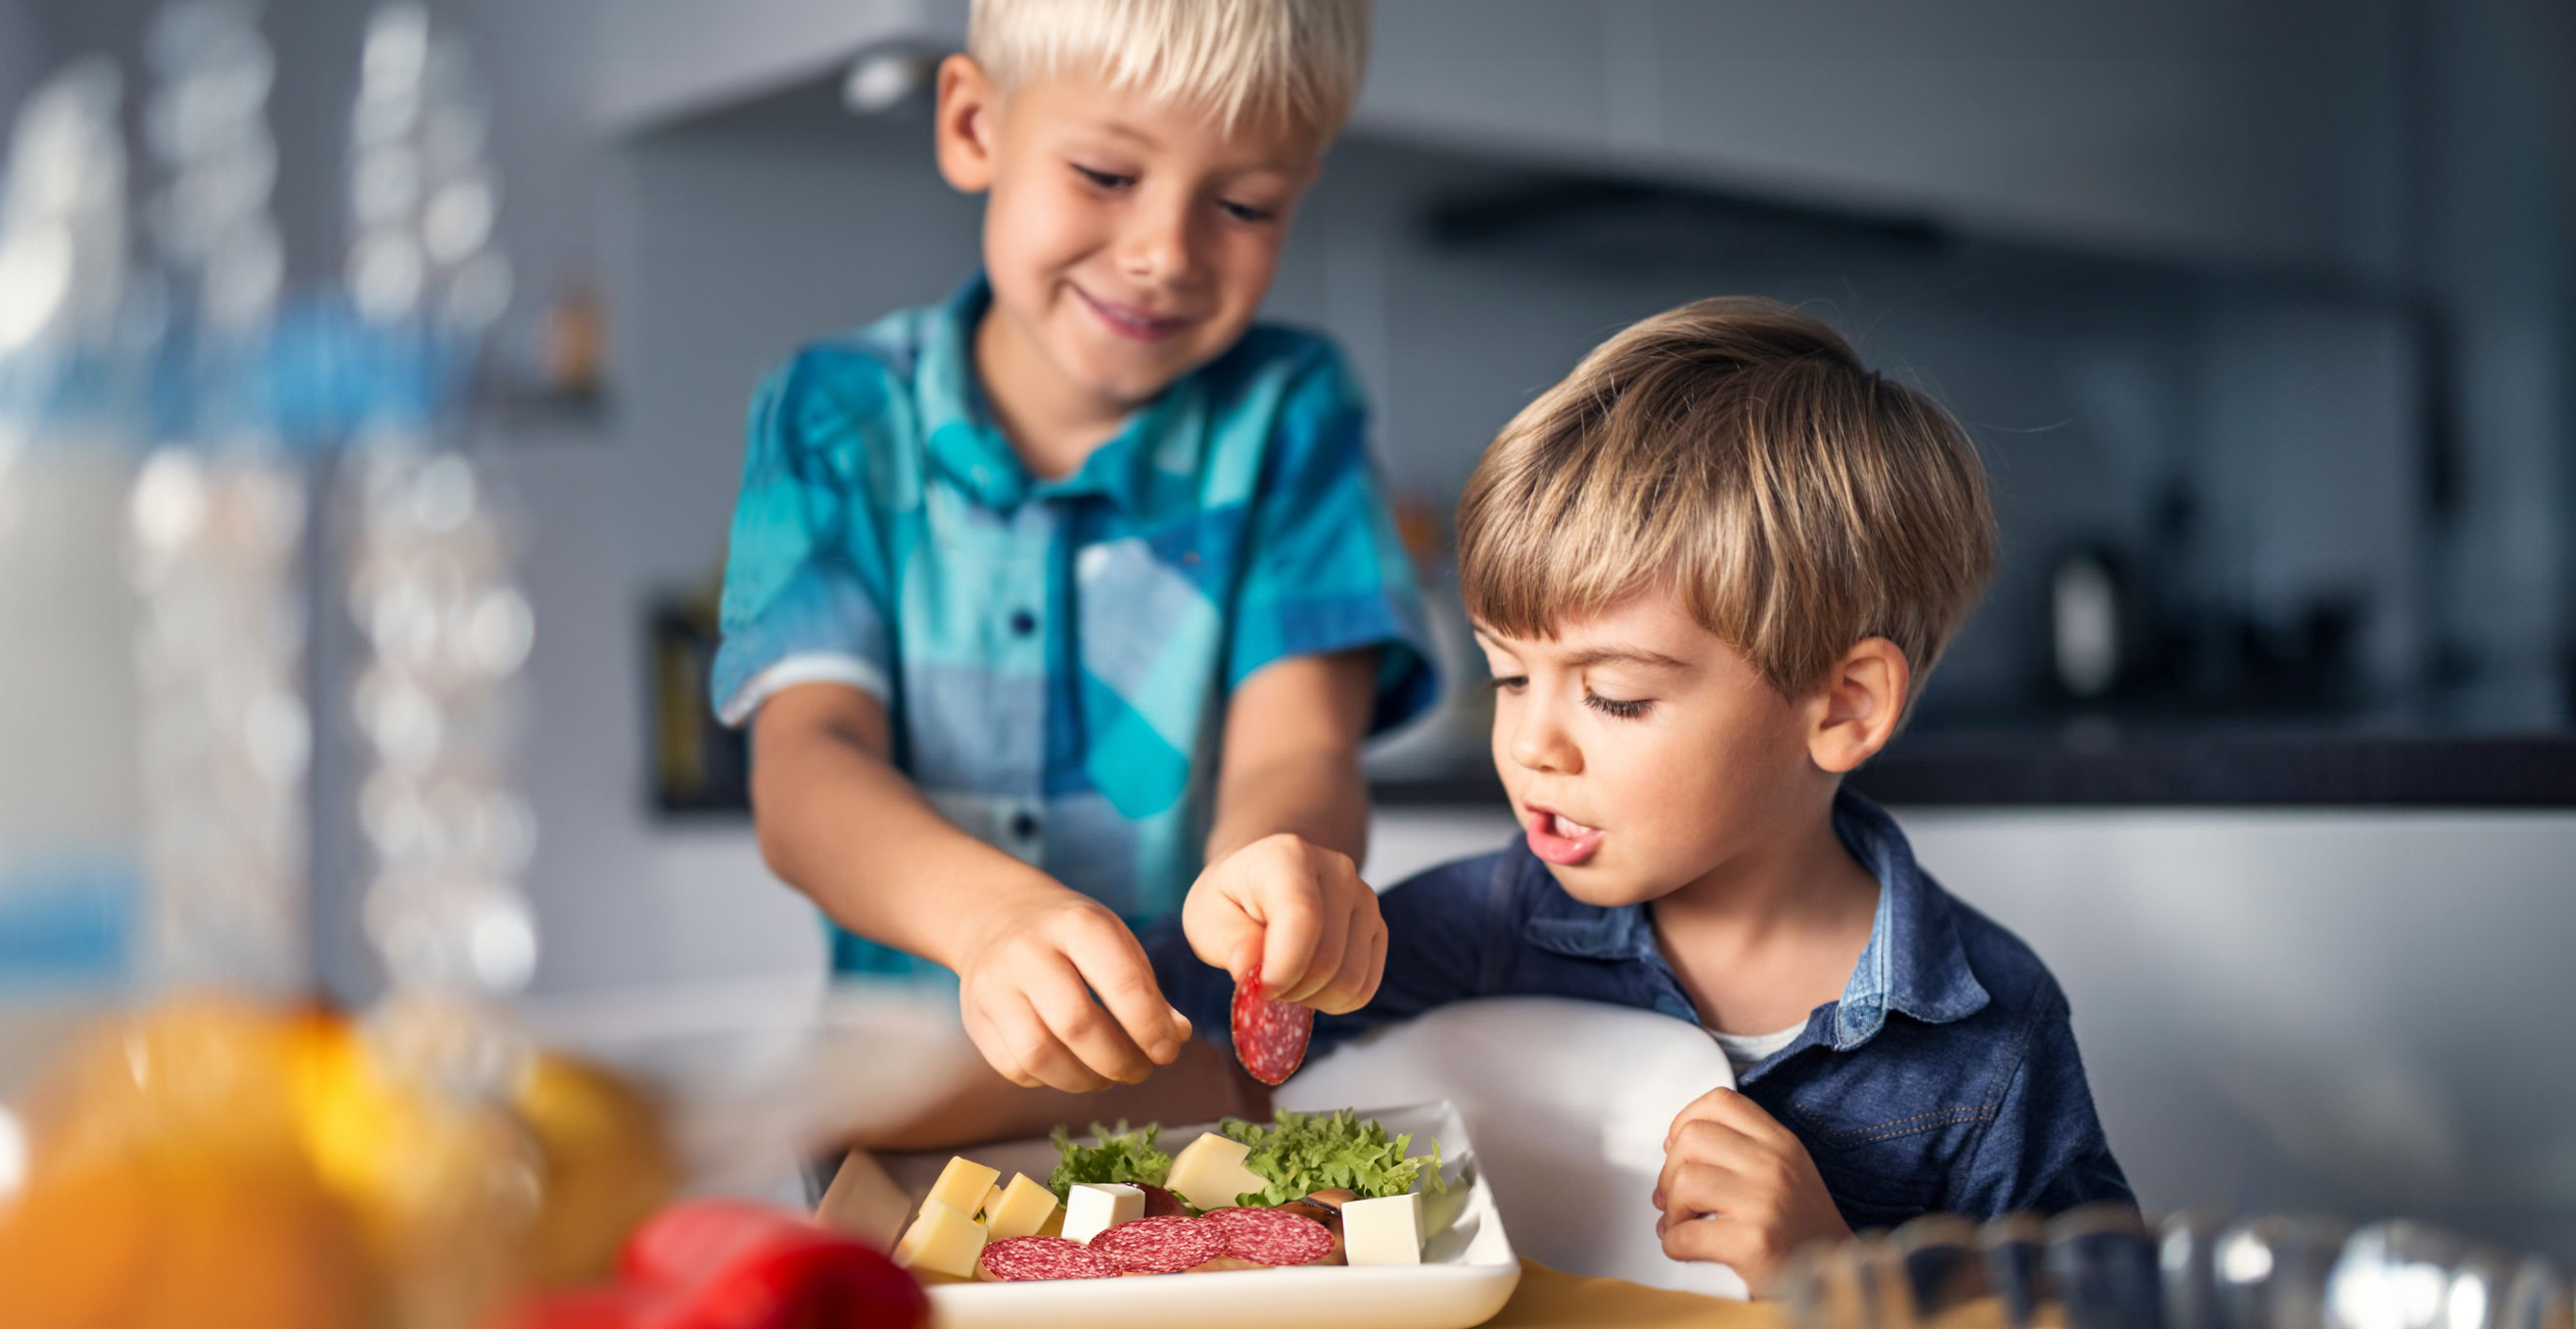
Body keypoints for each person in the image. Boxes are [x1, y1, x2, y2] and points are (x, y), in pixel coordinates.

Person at [1154, 297, 2135, 1293]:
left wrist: (1840, 1275)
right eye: (1506, 677)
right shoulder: (1482, 925)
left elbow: (2104, 1306)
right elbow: (1194, 1062)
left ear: (1842, 705)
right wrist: (1242, 922)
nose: (1532, 744)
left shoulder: (1988, 1032)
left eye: (1614, 697)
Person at [713, 0, 1429, 1098]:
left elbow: (1300, 752)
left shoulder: (1292, 415)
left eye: (1242, 204)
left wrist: (1270, 868)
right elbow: (809, 771)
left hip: (1195, 1106)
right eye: (1105, 173)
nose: (1163, 253)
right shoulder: (831, 414)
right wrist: (989, 917)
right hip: (905, 1110)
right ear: (972, 126)